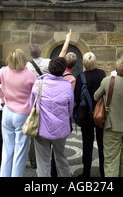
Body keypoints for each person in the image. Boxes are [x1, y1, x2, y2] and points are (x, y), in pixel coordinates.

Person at [26, 32, 72, 168]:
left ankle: (34, 160)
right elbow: (61, 58)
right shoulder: (48, 64)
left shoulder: (28, 68)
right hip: (56, 106)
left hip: (39, 104)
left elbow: (32, 100)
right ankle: (58, 167)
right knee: (59, 151)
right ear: (40, 51)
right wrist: (67, 40)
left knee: (37, 136)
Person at [0, 49, 36, 177]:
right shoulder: (30, 75)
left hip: (7, 113)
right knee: (20, 151)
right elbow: (36, 95)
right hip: (22, 114)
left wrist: (3, 97)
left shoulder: (5, 72)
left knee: (7, 149)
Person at [31, 56, 74, 177]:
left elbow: (32, 105)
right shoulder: (67, 86)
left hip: (41, 127)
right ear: (63, 70)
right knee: (61, 157)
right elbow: (70, 108)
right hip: (60, 127)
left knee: (43, 161)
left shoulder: (39, 83)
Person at [74, 52, 106, 177]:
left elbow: (76, 97)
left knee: (87, 144)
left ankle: (86, 172)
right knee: (102, 143)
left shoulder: (80, 77)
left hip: (86, 115)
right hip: (100, 114)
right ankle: (103, 172)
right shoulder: (102, 74)